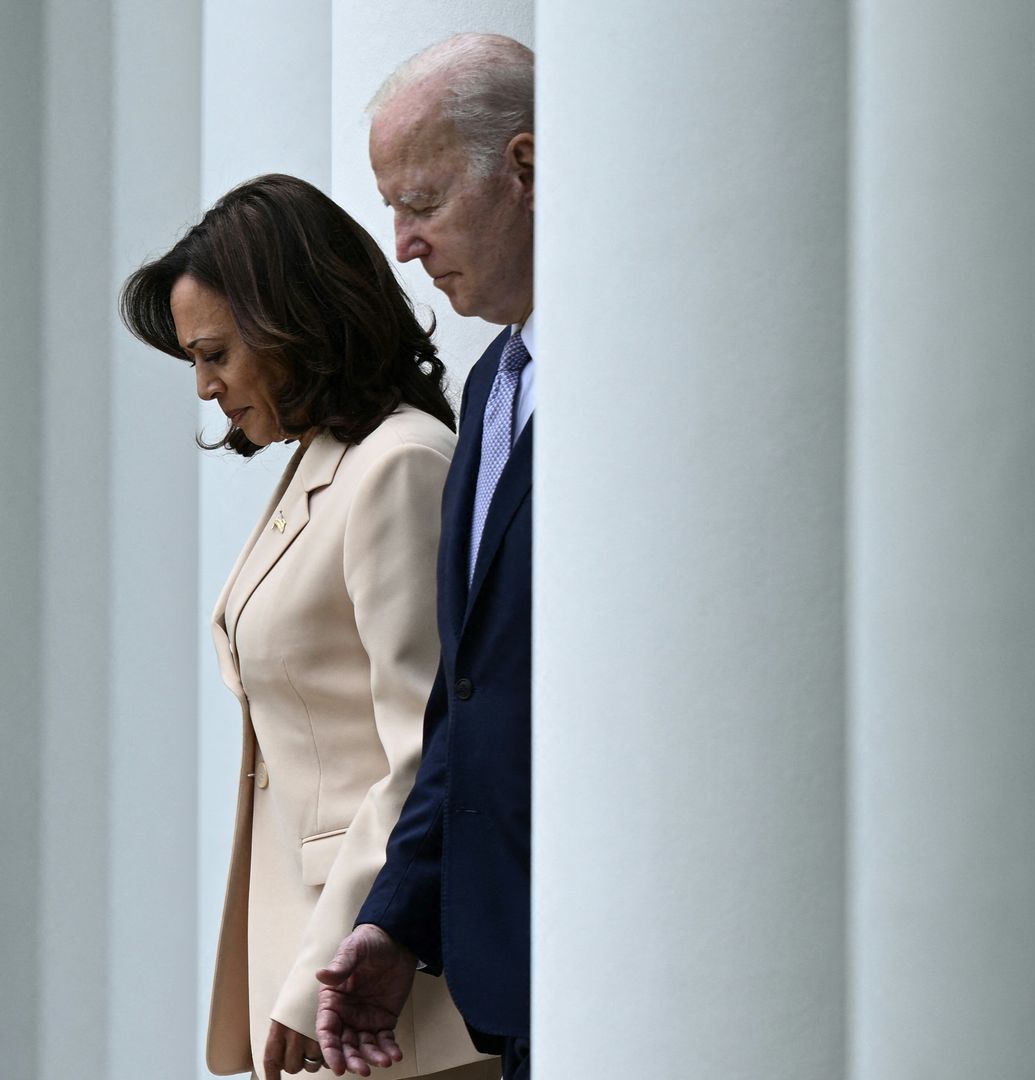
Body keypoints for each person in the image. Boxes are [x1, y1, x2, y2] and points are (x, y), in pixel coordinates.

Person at [120, 174, 497, 1080]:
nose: (206, 387)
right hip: (317, 979)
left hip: (380, 995)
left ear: (292, 321)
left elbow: (424, 751)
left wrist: (317, 971)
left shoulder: (399, 464)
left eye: (214, 354)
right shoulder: (325, 463)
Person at [314, 34, 538, 1080]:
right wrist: (397, 920)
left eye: (424, 203)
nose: (401, 245)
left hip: (644, 930)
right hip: (516, 967)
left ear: (526, 171)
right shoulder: (490, 385)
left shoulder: (646, 374)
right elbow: (468, 696)